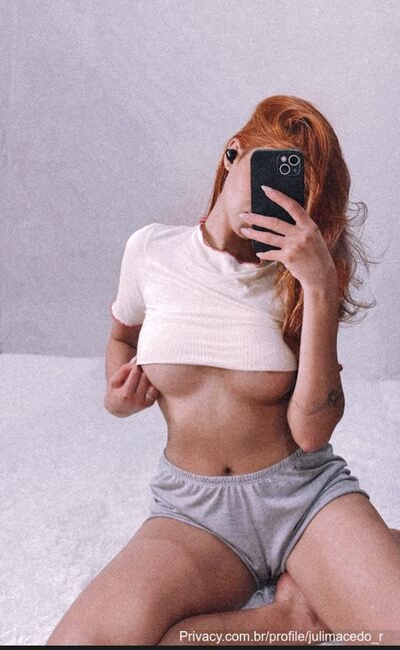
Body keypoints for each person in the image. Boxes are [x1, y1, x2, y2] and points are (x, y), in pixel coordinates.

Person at [46, 95, 400, 646]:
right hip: (193, 512)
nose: (275, 199)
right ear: (234, 154)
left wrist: (319, 286)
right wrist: (116, 396)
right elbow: (121, 336)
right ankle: (290, 619)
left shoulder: (305, 274)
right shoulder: (151, 250)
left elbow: (312, 432)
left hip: (305, 499)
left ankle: (317, 588)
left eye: (295, 190)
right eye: (267, 173)